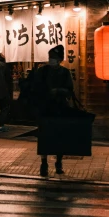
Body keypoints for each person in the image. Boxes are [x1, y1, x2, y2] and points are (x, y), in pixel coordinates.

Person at [33, 44, 74, 177]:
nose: (52, 60)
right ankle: (43, 163)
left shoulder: (65, 72)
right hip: (45, 108)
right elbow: (35, 88)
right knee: (44, 137)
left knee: (59, 136)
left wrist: (58, 91)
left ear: (60, 59)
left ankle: (59, 162)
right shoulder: (42, 71)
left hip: (60, 108)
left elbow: (70, 90)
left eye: (55, 58)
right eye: (50, 57)